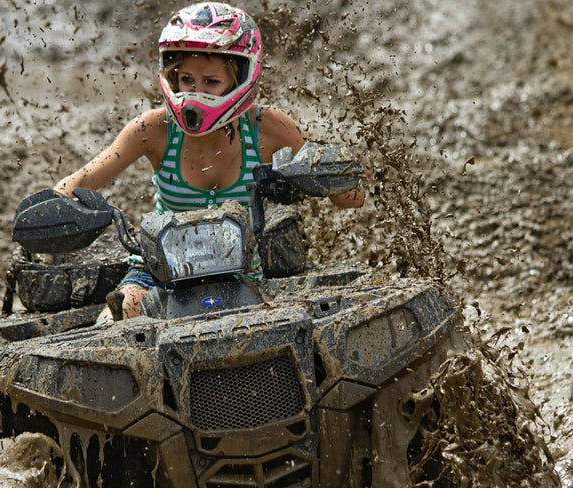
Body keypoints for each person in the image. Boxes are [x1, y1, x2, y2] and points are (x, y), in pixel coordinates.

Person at [54, 2, 364, 323]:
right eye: (187, 79)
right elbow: (77, 183)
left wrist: (324, 176)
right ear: (172, 77)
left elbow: (351, 199)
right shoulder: (152, 130)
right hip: (159, 270)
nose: (195, 94)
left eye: (212, 82)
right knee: (118, 317)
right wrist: (49, 217)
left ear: (241, 77)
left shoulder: (270, 127)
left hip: (244, 272)